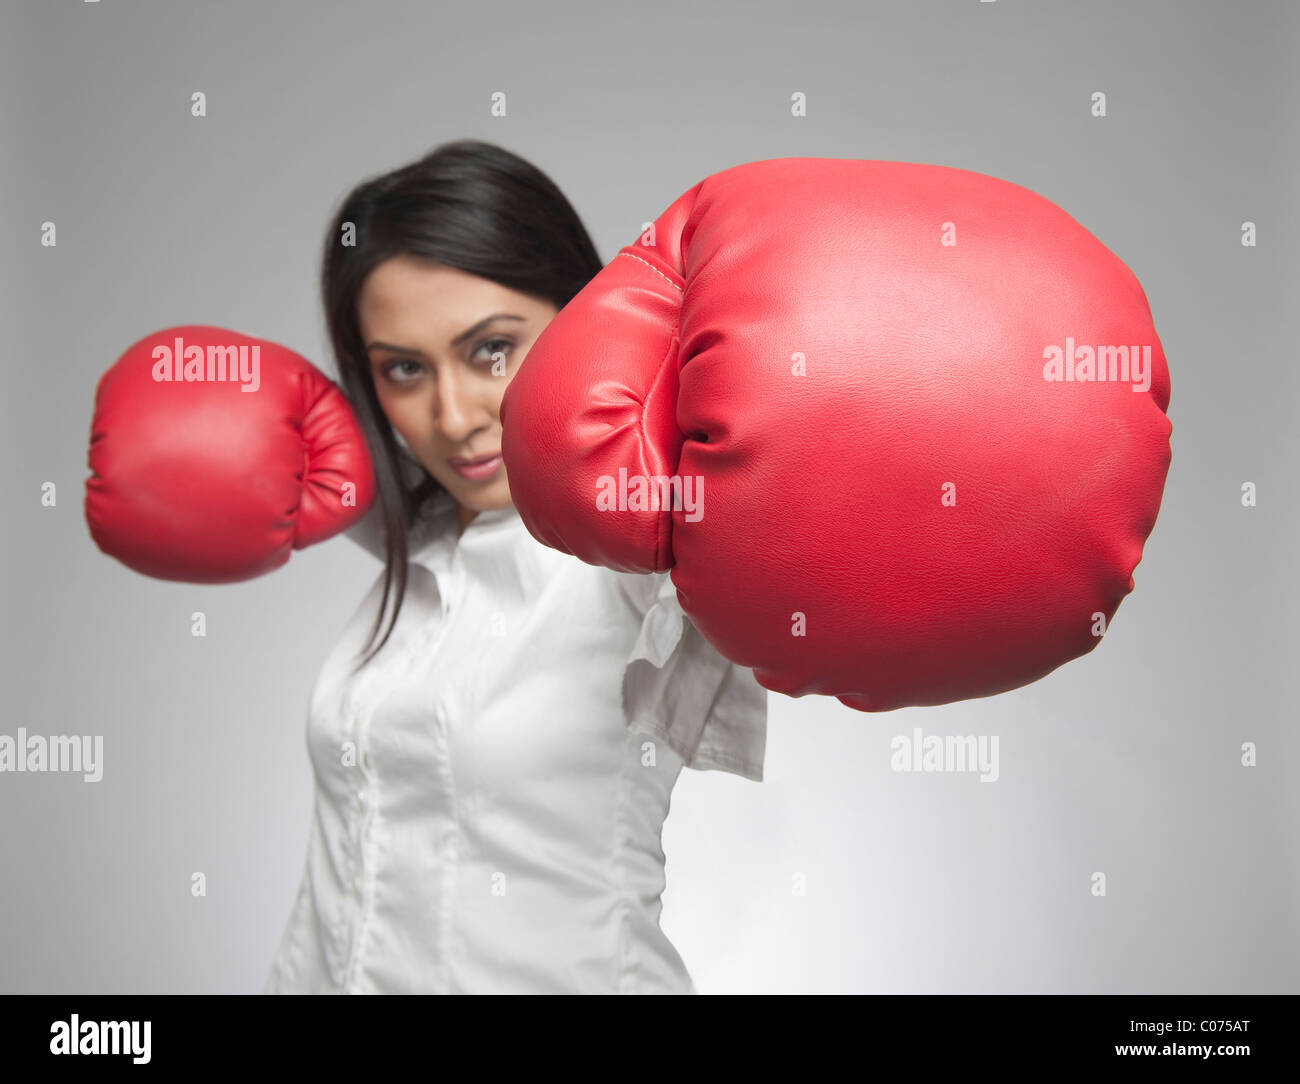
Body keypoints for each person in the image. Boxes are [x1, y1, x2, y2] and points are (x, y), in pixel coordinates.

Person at [261, 140, 767, 994]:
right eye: (404, 369)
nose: (453, 415)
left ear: (585, 324)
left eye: (492, 349)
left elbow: (803, 533)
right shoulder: (415, 556)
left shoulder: (641, 552)